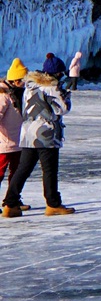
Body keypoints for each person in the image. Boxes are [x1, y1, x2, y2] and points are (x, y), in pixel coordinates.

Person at [5, 62, 72, 216]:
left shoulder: (30, 86)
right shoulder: (51, 87)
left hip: (28, 133)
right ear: (57, 73)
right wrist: (66, 95)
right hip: (46, 133)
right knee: (49, 170)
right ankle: (53, 203)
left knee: (23, 169)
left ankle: (10, 204)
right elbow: (62, 109)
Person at [0, 61, 23, 207]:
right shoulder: (3, 95)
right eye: (22, 79)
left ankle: (12, 200)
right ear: (15, 80)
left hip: (19, 141)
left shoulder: (19, 93)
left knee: (16, 174)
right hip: (5, 142)